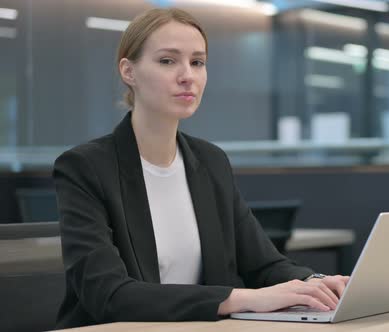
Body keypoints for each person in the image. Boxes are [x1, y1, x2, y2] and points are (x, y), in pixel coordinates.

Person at [53, 7, 349, 329]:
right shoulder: (86, 168)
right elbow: (109, 295)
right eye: (168, 61)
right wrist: (242, 298)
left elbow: (265, 264)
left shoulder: (210, 162)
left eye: (197, 62)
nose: (187, 76)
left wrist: (317, 283)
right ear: (129, 71)